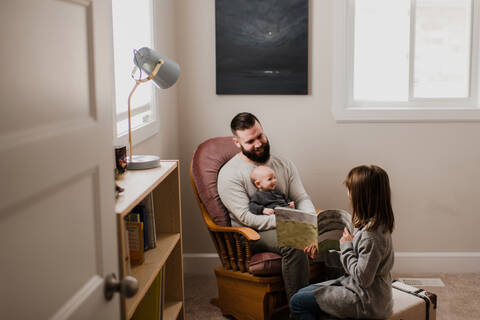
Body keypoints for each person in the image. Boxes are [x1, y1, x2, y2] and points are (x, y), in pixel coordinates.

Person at [217, 112, 316, 301]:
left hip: (291, 222)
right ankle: (299, 310)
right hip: (252, 233)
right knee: (296, 244)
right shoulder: (230, 174)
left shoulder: (284, 164)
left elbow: (301, 197)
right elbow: (247, 218)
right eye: (250, 141)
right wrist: (294, 224)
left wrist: (311, 220)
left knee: (335, 232)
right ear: (237, 143)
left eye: (260, 136)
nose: (258, 144)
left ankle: (336, 302)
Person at [290, 165, 395, 320]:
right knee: (302, 294)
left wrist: (346, 246)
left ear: (362, 196)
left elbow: (362, 279)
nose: (348, 194)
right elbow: (355, 261)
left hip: (367, 301)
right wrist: (322, 254)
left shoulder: (371, 236)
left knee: (297, 302)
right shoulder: (374, 223)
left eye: (350, 190)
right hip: (363, 291)